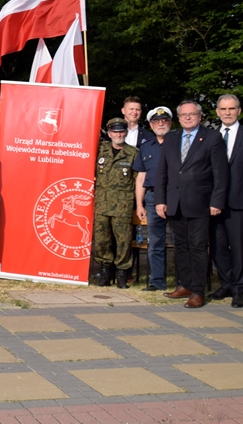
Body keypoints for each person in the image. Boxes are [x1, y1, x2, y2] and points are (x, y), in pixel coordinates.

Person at [155, 100, 228, 308]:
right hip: (175, 203)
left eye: (192, 114)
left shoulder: (212, 138)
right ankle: (184, 284)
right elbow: (163, 171)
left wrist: (216, 201)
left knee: (197, 246)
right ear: (178, 118)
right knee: (180, 246)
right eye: (184, 115)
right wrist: (160, 200)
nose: (188, 117)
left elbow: (220, 174)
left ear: (200, 116)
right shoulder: (170, 138)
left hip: (200, 203)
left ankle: (198, 290)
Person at [208, 94, 243, 308]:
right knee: (218, 246)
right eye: (223, 109)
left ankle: (239, 288)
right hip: (214, 202)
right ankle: (226, 283)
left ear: (239, 110)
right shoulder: (211, 137)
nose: (227, 112)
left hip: (241, 201)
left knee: (239, 246)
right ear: (217, 112)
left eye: (231, 108)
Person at [92, 118, 140, 288]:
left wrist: (138, 204)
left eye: (121, 131)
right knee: (101, 240)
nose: (118, 134)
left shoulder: (133, 153)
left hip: (122, 205)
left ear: (125, 132)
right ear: (109, 133)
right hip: (102, 204)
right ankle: (105, 271)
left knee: (123, 240)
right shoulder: (99, 150)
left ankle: (122, 273)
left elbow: (137, 181)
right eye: (114, 131)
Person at [133, 106, 173, 291]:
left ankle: (184, 282)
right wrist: (139, 203)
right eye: (156, 121)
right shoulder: (146, 146)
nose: (160, 123)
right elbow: (141, 177)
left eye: (164, 120)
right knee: (155, 243)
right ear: (150, 124)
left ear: (170, 122)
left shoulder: (178, 142)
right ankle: (157, 282)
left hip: (175, 196)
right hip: (151, 196)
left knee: (180, 242)